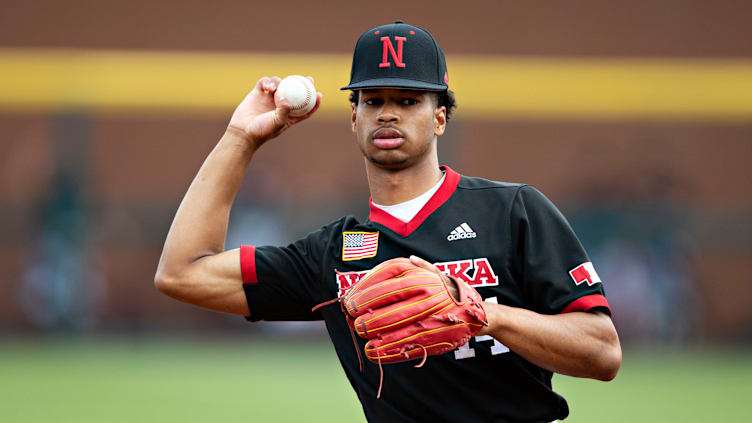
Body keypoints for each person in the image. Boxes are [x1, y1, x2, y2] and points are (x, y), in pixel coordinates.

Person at [155, 21, 621, 422]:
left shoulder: (514, 211)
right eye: (373, 100)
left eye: (409, 99)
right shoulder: (333, 253)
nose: (389, 113)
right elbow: (182, 272)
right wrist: (241, 139)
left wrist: (486, 315)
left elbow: (602, 352)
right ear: (353, 116)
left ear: (439, 117)